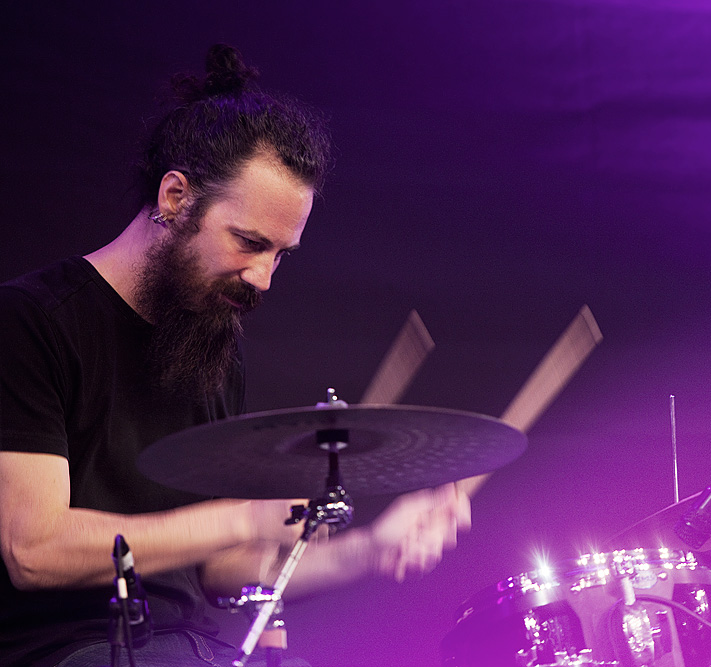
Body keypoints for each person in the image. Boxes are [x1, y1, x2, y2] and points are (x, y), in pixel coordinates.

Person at [0, 45, 471, 667]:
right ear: (175, 197)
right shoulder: (30, 321)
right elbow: (33, 550)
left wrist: (369, 550)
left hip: (185, 647)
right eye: (249, 242)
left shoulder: (207, 344)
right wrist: (245, 516)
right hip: (63, 652)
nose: (264, 277)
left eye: (280, 254)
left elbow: (222, 575)